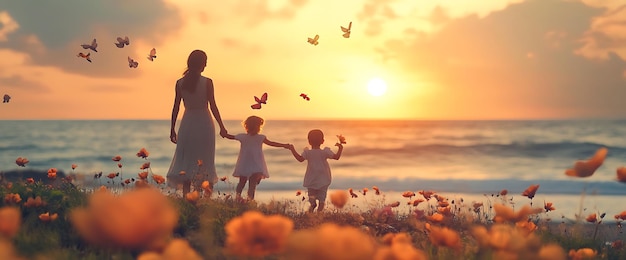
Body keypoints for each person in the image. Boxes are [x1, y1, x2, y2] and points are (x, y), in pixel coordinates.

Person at [166, 49, 228, 197]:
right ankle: (205, 197)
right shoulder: (207, 82)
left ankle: (188, 197)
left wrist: (172, 129)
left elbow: (176, 107)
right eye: (205, 62)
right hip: (204, 122)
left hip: (187, 123)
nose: (206, 65)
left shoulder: (180, 83)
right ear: (202, 64)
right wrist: (222, 126)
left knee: (187, 160)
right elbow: (213, 105)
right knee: (205, 159)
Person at [223, 115, 290, 201]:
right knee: (242, 182)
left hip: (256, 164)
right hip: (244, 163)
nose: (257, 128)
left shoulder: (260, 137)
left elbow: (272, 143)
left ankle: (250, 200)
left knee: (252, 183)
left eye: (258, 126)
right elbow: (230, 136)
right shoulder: (243, 136)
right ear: (248, 126)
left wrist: (284, 145)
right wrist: (223, 132)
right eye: (256, 126)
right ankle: (238, 197)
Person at [288, 129, 343, 212]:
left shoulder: (307, 152)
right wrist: (340, 148)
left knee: (312, 201)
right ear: (322, 141)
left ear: (309, 142)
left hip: (311, 180)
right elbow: (336, 157)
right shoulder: (325, 152)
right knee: (322, 201)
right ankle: (318, 216)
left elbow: (300, 159)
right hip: (323, 179)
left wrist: (292, 149)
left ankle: (311, 214)